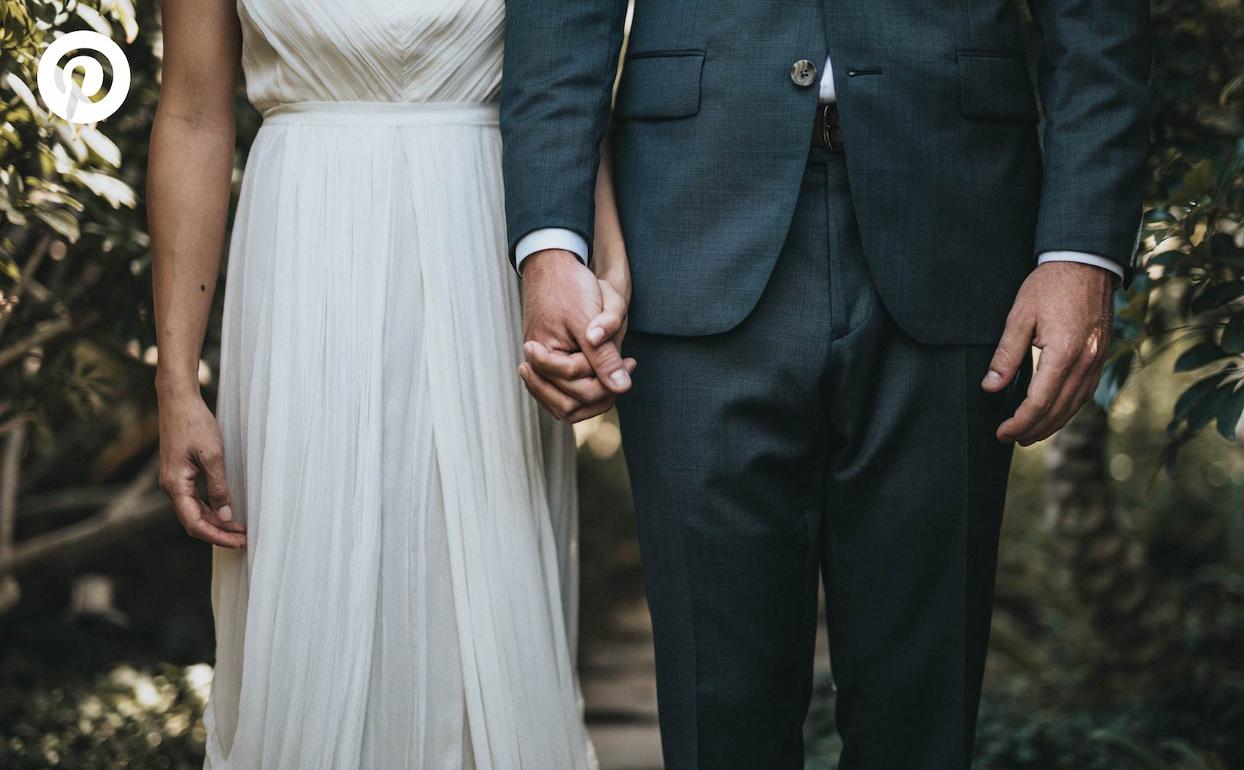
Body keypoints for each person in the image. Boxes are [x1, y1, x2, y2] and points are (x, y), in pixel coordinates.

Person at [502, 0, 1150, 767]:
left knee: (921, 713)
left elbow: (1099, 24)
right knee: (720, 713)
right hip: (689, 231)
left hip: (957, 226)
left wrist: (1081, 249)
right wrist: (549, 245)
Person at [148, 0, 617, 766]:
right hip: (303, 265)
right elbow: (194, 115)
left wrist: (599, 266)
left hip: (485, 256)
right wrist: (177, 381)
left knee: (482, 606)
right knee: (307, 600)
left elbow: (571, 84)